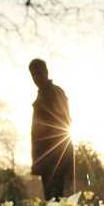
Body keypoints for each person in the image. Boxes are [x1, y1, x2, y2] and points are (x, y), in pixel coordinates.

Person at [29, 58, 74, 197]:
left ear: (46, 72)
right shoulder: (42, 94)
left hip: (56, 156)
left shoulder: (55, 92)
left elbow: (63, 122)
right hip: (46, 156)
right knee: (53, 201)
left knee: (58, 201)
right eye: (33, 74)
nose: (37, 77)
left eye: (39, 72)